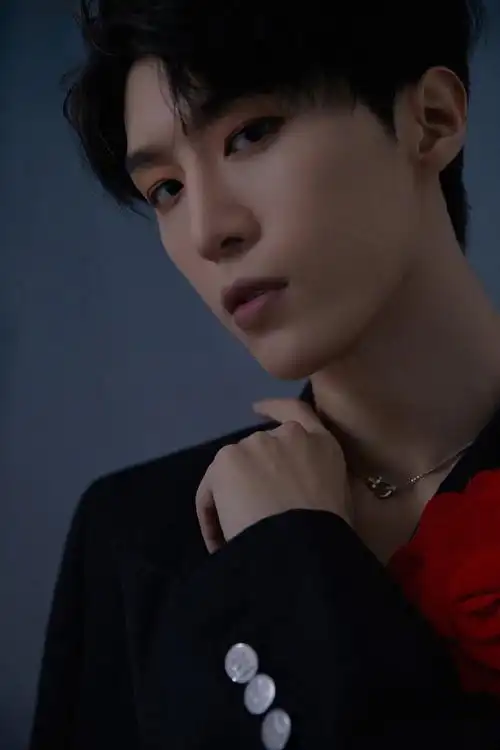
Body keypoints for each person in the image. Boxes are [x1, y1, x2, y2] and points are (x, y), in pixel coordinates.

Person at [29, 0, 500, 747]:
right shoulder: (137, 539)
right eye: (167, 189)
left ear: (432, 120)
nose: (208, 231)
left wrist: (292, 555)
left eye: (250, 134)